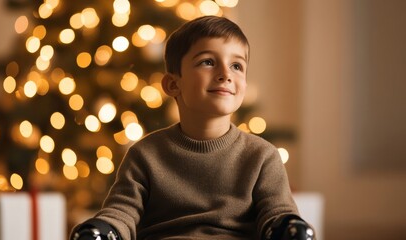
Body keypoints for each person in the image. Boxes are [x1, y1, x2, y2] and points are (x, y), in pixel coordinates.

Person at [71, 15, 315, 240]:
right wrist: (104, 231)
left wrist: (287, 228)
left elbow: (276, 213)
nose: (225, 74)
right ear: (173, 85)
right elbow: (122, 212)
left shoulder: (262, 156)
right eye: (208, 62)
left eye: (237, 66)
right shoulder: (145, 155)